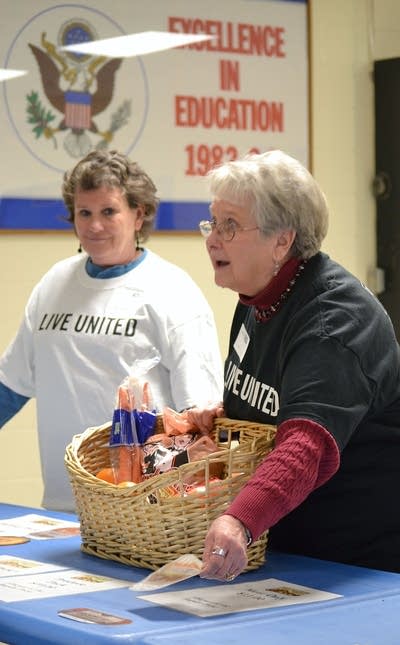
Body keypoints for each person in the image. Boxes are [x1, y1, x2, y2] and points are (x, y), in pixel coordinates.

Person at [188, 149, 400, 581]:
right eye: (212, 222)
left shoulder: (332, 319)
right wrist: (224, 416)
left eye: (229, 225)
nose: (212, 239)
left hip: (358, 562)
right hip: (285, 547)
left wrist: (239, 520)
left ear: (281, 240)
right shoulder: (258, 298)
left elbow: (306, 446)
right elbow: (273, 402)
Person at [0, 149, 223, 511]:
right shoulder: (53, 285)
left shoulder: (172, 291)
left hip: (145, 510)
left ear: (139, 214)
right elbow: (10, 387)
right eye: (84, 213)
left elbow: (197, 417)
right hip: (61, 507)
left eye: (109, 211)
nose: (94, 226)